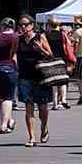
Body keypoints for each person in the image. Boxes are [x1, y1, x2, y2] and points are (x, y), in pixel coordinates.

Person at [15, 15, 54, 145]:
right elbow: (12, 54)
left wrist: (40, 49)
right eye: (20, 25)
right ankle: (32, 137)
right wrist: (15, 62)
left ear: (32, 25)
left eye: (25, 24)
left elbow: (50, 55)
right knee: (28, 107)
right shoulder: (18, 40)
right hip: (25, 77)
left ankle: (44, 127)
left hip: (41, 77)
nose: (22, 27)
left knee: (43, 107)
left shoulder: (40, 37)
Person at [46, 19, 74, 111]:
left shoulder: (46, 35)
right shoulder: (62, 35)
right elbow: (68, 47)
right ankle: (63, 100)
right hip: (62, 60)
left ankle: (54, 103)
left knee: (54, 83)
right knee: (63, 81)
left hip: (51, 60)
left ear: (49, 25)